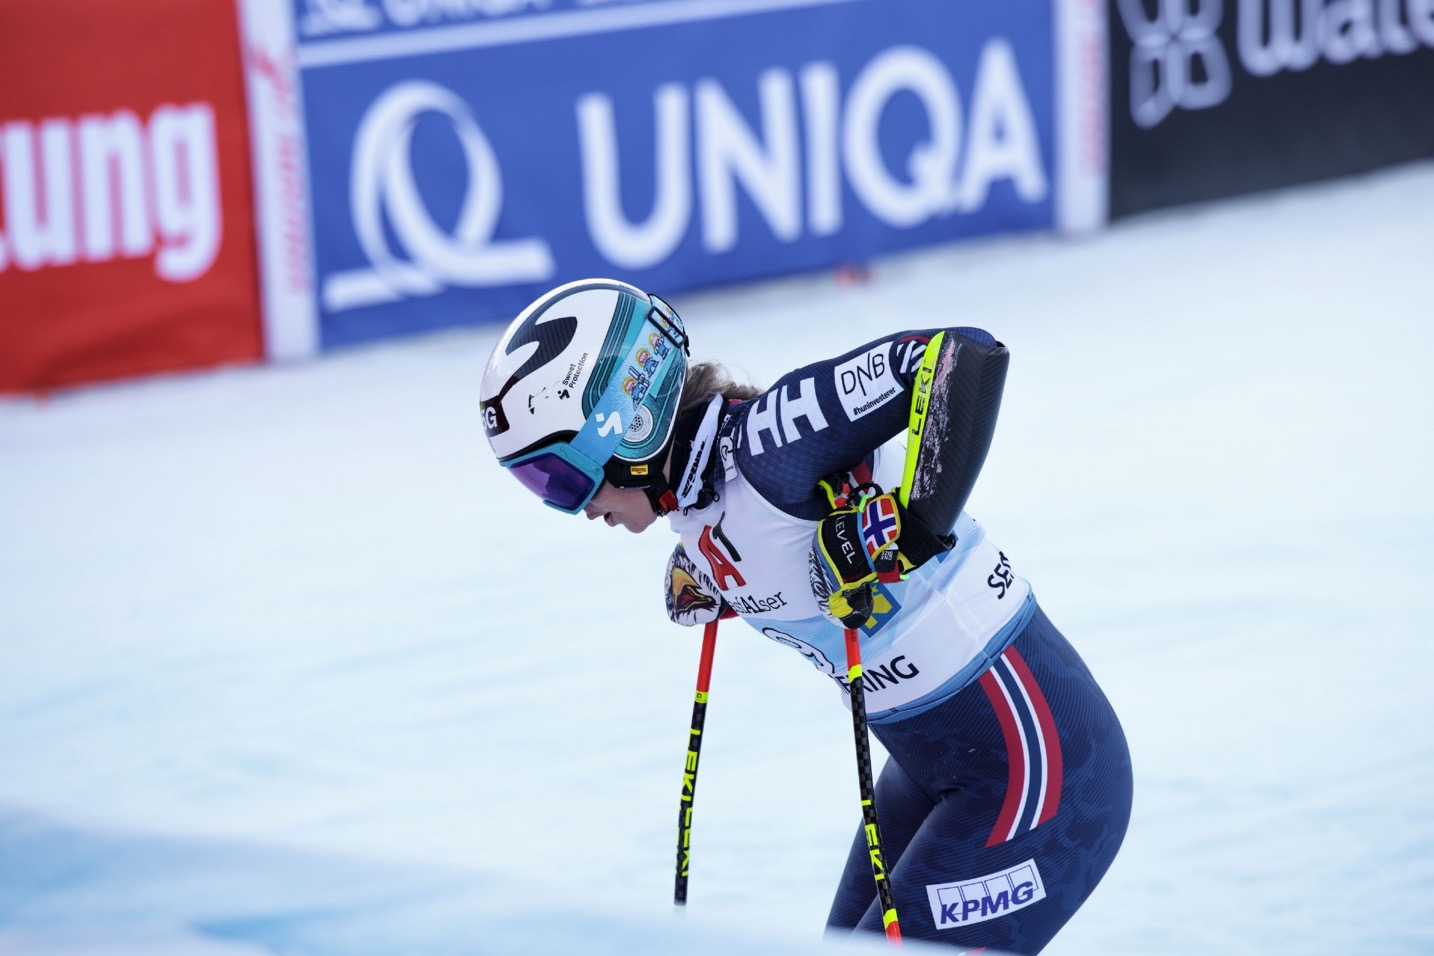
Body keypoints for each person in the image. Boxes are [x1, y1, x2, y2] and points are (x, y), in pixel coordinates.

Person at [479, 277, 1132, 953]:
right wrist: (719, 582)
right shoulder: (698, 503)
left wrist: (912, 529)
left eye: (563, 476)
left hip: (1036, 763)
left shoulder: (769, 442)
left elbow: (960, 355)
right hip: (939, 768)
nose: (575, 507)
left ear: (626, 424)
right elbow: (769, 540)